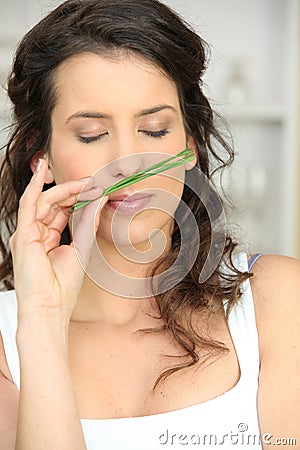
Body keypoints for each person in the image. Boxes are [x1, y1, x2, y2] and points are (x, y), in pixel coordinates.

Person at [0, 0, 299, 449]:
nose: (127, 161)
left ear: (190, 146)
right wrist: (42, 321)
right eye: (91, 135)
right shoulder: (8, 341)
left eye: (155, 130)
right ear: (39, 154)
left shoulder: (279, 300)